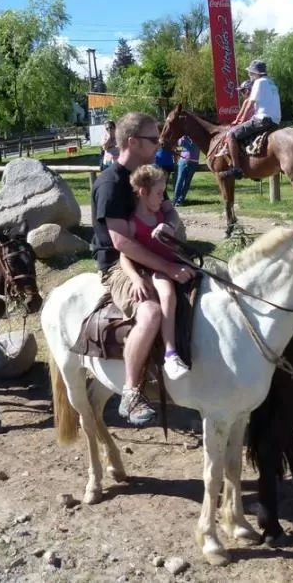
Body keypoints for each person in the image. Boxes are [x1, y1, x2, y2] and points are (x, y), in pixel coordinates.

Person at [91, 112, 195, 425]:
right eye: (154, 139)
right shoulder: (110, 185)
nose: (159, 144)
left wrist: (170, 227)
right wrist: (168, 268)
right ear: (133, 142)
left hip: (155, 254)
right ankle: (131, 392)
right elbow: (121, 243)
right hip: (119, 265)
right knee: (149, 311)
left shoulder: (150, 174)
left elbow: (170, 210)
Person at [120, 164, 190, 381]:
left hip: (169, 262)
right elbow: (124, 255)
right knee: (167, 294)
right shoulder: (133, 224)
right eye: (159, 193)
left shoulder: (161, 215)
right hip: (152, 269)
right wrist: (135, 279)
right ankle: (170, 352)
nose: (163, 198)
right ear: (143, 193)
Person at [221, 60, 281, 179]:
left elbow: (250, 104)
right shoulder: (272, 83)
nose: (250, 76)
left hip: (262, 119)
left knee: (231, 134)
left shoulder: (258, 82)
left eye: (250, 73)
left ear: (255, 73)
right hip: (275, 121)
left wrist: (242, 120)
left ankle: (236, 169)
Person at [173, 134, 199, 205]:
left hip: (194, 161)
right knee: (180, 180)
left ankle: (180, 200)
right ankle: (175, 200)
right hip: (183, 161)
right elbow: (179, 143)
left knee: (187, 182)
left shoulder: (197, 136)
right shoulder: (183, 137)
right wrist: (183, 138)